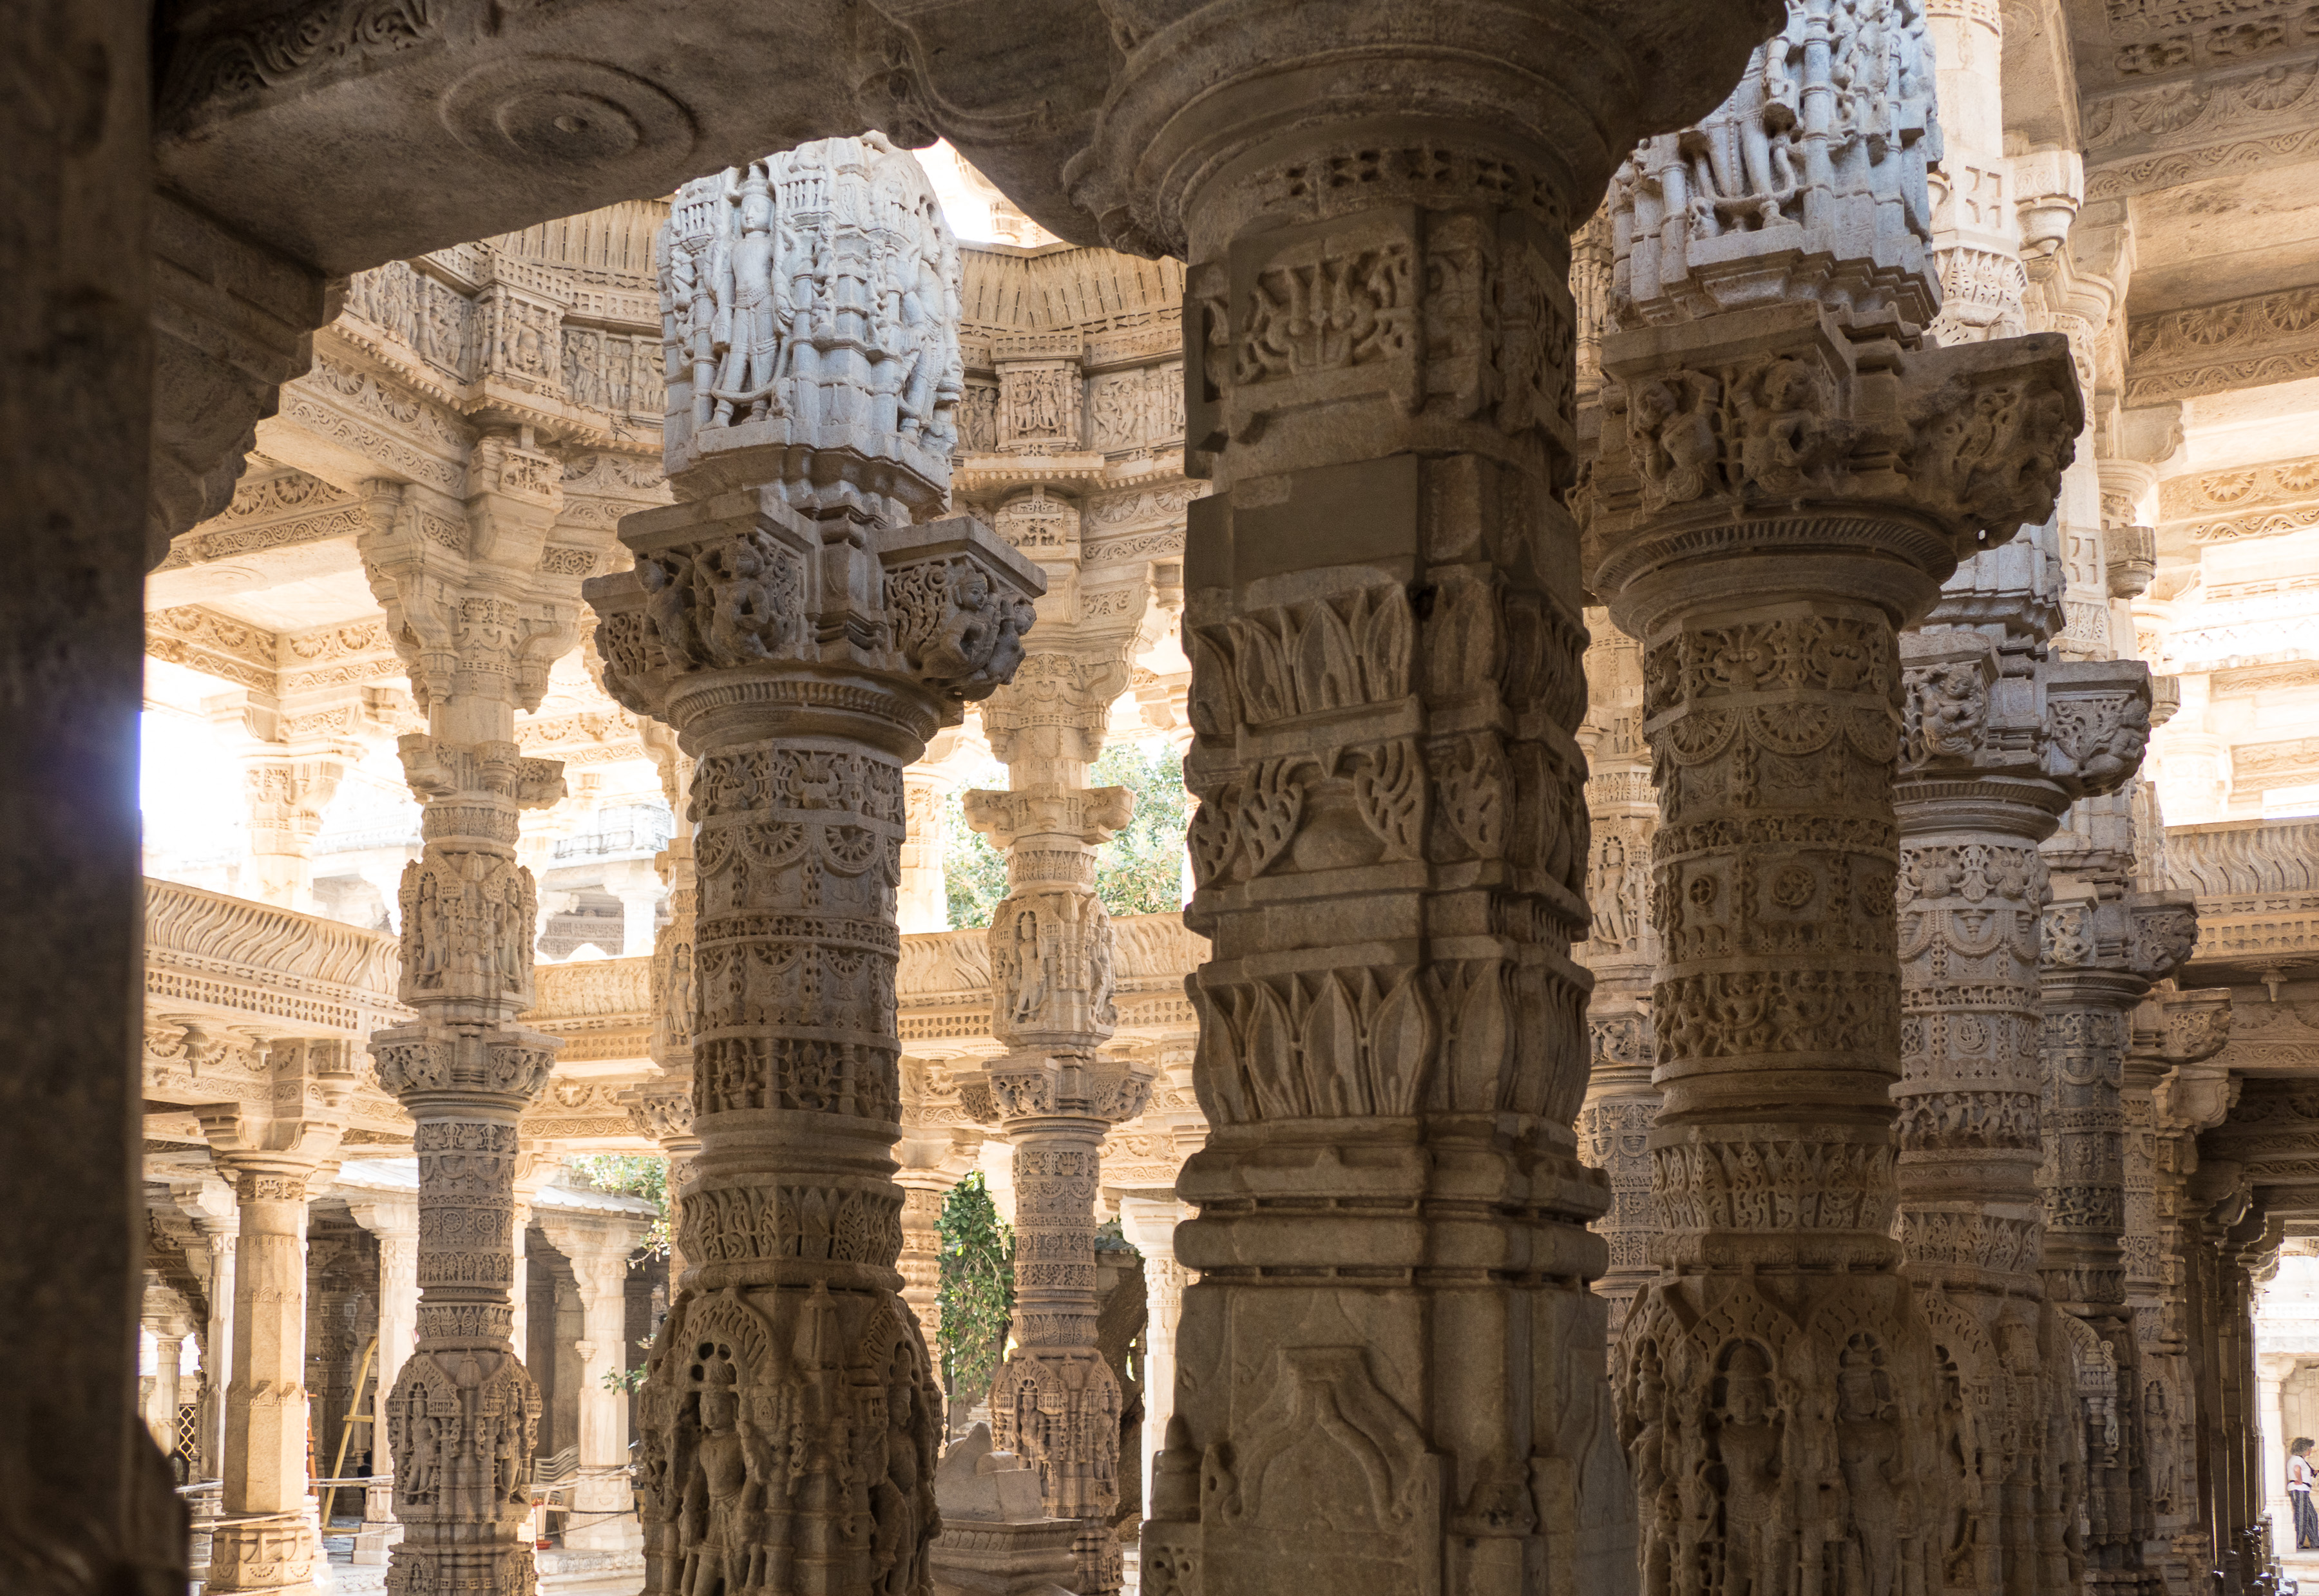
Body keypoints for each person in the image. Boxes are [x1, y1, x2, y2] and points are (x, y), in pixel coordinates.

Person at [2291, 1436, 2319, 1550]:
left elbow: (2309, 1471)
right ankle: (2299, 1543)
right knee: (2302, 1517)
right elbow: (2297, 1469)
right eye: (2309, 1448)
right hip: (2299, 1490)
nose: (2311, 1450)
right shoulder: (2297, 1460)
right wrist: (2300, 1480)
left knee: (2312, 1516)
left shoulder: (2301, 1460)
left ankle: (2315, 1541)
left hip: (2303, 1490)